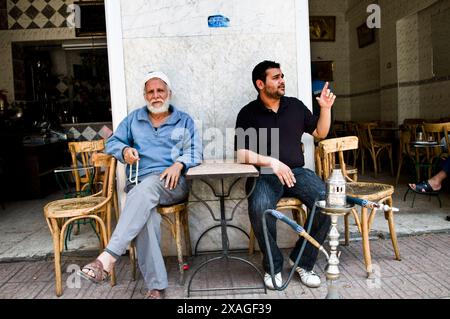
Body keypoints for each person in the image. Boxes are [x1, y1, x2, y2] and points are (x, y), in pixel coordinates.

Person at [77, 71, 202, 299]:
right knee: (145, 217)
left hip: (172, 185)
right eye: (151, 92)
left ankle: (108, 258)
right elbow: (112, 142)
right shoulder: (134, 119)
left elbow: (196, 150)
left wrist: (179, 164)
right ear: (145, 95)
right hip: (141, 186)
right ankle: (156, 287)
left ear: (169, 93)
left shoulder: (184, 120)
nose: (156, 96)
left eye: (160, 91)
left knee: (147, 189)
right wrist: (124, 151)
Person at [235, 60, 336, 289]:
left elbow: (320, 132)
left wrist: (326, 109)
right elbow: (241, 153)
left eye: (282, 76)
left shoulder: (295, 106)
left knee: (328, 202)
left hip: (297, 172)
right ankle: (273, 267)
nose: (282, 81)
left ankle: (303, 261)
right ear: (261, 84)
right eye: (276, 77)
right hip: (265, 175)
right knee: (260, 208)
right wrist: (272, 162)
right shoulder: (248, 113)